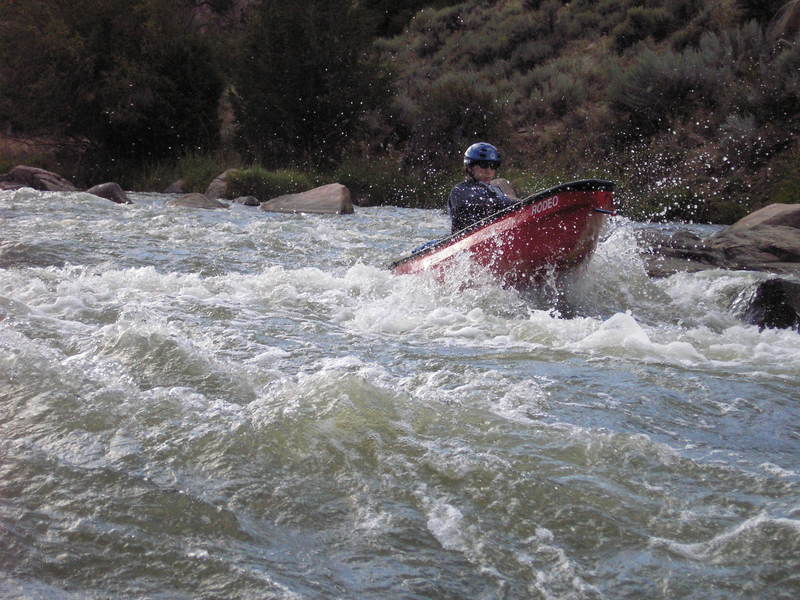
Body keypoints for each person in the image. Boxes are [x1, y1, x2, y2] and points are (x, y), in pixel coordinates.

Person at [447, 142, 517, 234]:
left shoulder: (498, 188)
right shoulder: (460, 190)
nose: (489, 171)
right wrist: (513, 202)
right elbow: (482, 200)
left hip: (496, 231)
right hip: (467, 239)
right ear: (469, 167)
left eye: (493, 166)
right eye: (483, 165)